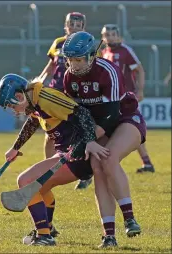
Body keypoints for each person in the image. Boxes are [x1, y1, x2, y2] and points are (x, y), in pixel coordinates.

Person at [0, 73, 110, 246]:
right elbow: (33, 122)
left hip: (76, 157)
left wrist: (84, 144)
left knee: (26, 181)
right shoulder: (34, 101)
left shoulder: (46, 98)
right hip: (65, 154)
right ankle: (46, 229)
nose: (13, 110)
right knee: (39, 189)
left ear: (19, 97)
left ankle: (44, 236)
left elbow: (83, 114)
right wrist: (15, 148)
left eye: (12, 106)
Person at [62, 31, 146, 248]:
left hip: (124, 118)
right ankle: (109, 235)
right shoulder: (69, 78)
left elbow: (112, 115)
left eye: (79, 59)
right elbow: (78, 115)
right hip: (98, 126)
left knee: (108, 158)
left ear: (91, 56)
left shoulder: (108, 70)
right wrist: (82, 140)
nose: (74, 65)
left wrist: (87, 140)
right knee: (97, 167)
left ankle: (129, 218)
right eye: (70, 59)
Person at [38, 12, 101, 190]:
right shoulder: (58, 42)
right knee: (50, 133)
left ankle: (85, 173)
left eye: (78, 24)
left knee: (81, 134)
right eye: (70, 24)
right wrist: (41, 79)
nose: (74, 27)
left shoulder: (88, 44)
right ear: (65, 25)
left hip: (75, 94)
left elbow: (94, 67)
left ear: (83, 27)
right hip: (55, 93)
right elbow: (51, 65)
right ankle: (47, 171)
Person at [100, 24, 155, 173]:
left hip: (126, 98)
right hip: (110, 98)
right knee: (120, 129)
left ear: (119, 36)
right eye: (107, 35)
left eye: (113, 34)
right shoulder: (104, 52)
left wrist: (140, 90)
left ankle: (144, 162)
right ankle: (146, 163)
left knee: (131, 128)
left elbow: (139, 70)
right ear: (103, 37)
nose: (110, 37)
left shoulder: (125, 51)